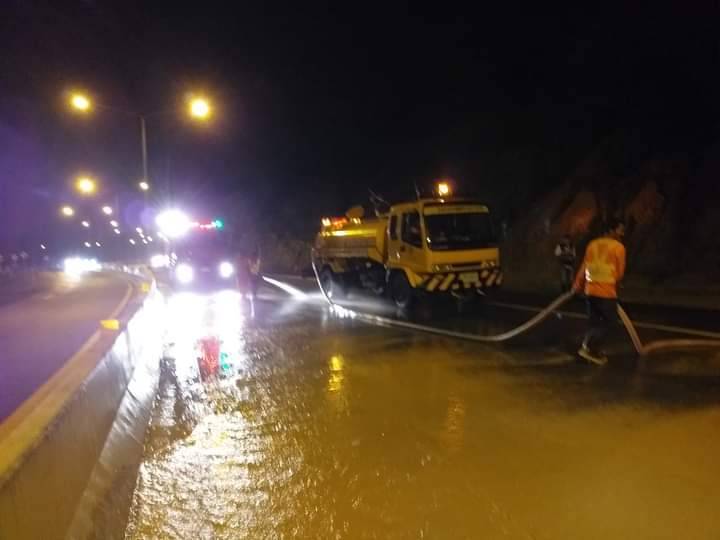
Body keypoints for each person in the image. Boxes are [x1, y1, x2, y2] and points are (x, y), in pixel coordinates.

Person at [572, 219, 627, 365]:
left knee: (594, 322)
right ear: (610, 230)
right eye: (620, 230)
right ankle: (588, 347)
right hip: (606, 292)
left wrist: (577, 284)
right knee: (610, 323)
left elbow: (584, 266)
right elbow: (619, 273)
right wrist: (617, 283)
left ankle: (592, 351)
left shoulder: (592, 244)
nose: (622, 233)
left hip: (590, 291)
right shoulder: (618, 247)